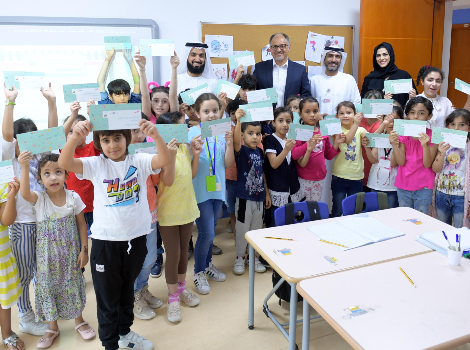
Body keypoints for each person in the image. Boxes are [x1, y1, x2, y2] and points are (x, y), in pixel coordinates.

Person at [58, 119, 171, 350]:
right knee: (108, 299)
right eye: (106, 140)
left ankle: (124, 333)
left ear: (128, 138)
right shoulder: (95, 164)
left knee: (126, 292)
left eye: (117, 138)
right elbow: (65, 162)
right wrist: (74, 138)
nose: (112, 145)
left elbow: (164, 159)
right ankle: (110, 344)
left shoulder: (138, 160)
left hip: (136, 239)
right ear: (98, 142)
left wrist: (156, 135)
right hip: (105, 243)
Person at [18, 153, 95, 348]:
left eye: (58, 172)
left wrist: (84, 251)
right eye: (47, 173)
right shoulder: (39, 199)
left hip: (70, 258)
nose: (53, 177)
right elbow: (25, 193)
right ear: (41, 179)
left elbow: (82, 226)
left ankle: (79, 321)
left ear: (66, 175)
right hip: (45, 262)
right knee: (48, 289)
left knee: (73, 286)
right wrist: (25, 167)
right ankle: (52, 327)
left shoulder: (73, 198)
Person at [2, 84, 57, 336]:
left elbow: (55, 135)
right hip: (22, 226)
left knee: (43, 272)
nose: (27, 146)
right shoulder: (9, 160)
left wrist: (51, 102)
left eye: (32, 140)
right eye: (20, 142)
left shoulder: (40, 157)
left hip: (45, 223)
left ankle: (43, 313)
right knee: (24, 275)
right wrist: (10, 102)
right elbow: (5, 135)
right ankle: (25, 317)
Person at [156, 111, 203, 322]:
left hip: (187, 208)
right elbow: (168, 180)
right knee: (172, 254)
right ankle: (173, 298)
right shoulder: (161, 152)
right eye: (179, 126)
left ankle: (182, 289)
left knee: (184, 252)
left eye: (184, 125)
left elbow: (192, 175)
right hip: (167, 211)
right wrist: (171, 154)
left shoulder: (184, 147)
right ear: (167, 131)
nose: (184, 129)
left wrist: (196, 154)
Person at [188, 93, 234, 294]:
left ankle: (207, 265)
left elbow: (227, 163)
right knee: (206, 233)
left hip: (217, 190)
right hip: (199, 192)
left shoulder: (221, 132)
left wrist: (230, 144)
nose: (212, 115)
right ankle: (198, 271)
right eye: (206, 111)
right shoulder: (191, 133)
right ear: (197, 113)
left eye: (215, 110)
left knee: (211, 231)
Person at [232, 110, 270, 275]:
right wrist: (239, 120)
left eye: (258, 134)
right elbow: (235, 142)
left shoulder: (260, 152)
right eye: (250, 133)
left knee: (255, 230)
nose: (255, 137)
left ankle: (252, 258)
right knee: (242, 230)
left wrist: (267, 194)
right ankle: (240, 257)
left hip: (259, 198)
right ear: (242, 135)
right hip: (244, 199)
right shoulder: (242, 151)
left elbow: (262, 173)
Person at [390, 96, 438, 214]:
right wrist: (394, 145)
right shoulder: (403, 134)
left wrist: (425, 146)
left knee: (421, 219)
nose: (416, 117)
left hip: (424, 186)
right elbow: (401, 162)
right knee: (405, 218)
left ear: (429, 116)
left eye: (421, 113)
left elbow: (427, 164)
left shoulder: (433, 136)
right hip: (403, 184)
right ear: (408, 115)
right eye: (412, 113)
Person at [292, 97, 343, 204]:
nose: (312, 115)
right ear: (300, 114)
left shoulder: (323, 132)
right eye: (307, 112)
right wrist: (308, 144)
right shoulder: (298, 131)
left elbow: (328, 155)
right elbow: (294, 155)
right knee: (301, 211)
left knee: (314, 209)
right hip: (302, 178)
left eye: (315, 111)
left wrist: (336, 143)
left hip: (319, 178)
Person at [63, 105, 101, 237]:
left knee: (98, 240)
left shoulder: (93, 147)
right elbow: (59, 136)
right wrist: (73, 114)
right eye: (71, 131)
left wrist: (93, 115)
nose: (76, 134)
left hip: (95, 206)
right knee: (78, 243)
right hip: (74, 208)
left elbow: (100, 135)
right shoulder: (65, 152)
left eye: (80, 130)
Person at [263, 107, 304, 227]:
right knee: (276, 223)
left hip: (293, 189)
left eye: (288, 121)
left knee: (292, 223)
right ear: (273, 122)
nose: (285, 124)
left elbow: (300, 162)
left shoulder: (292, 138)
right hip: (277, 189)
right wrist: (286, 149)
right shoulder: (270, 139)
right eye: (280, 121)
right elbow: (274, 164)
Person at [431, 109, 470, 228]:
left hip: (461, 197)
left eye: (461, 125)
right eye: (452, 124)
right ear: (447, 126)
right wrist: (441, 155)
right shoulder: (443, 144)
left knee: (460, 229)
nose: (456, 128)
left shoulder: (468, 146)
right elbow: (435, 169)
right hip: (441, 194)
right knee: (442, 227)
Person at [253, 33, 311, 106]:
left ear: (289, 47)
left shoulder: (300, 70)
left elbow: (306, 95)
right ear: (270, 49)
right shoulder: (259, 68)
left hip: (291, 116)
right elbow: (252, 93)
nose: (278, 50)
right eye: (274, 46)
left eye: (282, 46)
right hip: (267, 116)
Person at [364, 106, 404, 208]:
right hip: (375, 183)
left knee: (389, 216)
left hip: (392, 187)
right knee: (374, 213)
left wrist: (395, 143)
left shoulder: (402, 140)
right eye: (388, 120)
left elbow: (394, 163)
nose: (391, 123)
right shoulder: (380, 135)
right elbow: (373, 159)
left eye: (395, 121)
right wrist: (367, 148)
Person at [0, 180, 24, 350]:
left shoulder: (2, 185)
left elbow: (7, 220)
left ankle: (7, 333)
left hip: (1, 259)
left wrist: (10, 196)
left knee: (4, 301)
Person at [331, 102, 366, 217]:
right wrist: (356, 123)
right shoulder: (336, 130)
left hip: (356, 177)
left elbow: (371, 137)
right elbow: (347, 140)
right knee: (337, 210)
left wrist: (383, 123)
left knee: (355, 211)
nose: (345, 115)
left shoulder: (360, 130)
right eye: (342, 113)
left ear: (355, 114)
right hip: (339, 176)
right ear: (337, 116)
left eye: (349, 112)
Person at [361, 42, 417, 108]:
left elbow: (413, 105)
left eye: (385, 54)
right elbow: (364, 106)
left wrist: (413, 98)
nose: (381, 58)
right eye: (378, 55)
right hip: (376, 117)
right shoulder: (369, 79)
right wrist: (383, 101)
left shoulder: (403, 76)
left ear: (391, 55)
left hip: (398, 117)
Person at [310, 46, 361, 116]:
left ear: (341, 60)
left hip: (344, 125)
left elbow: (356, 103)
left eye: (337, 57)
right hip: (319, 124)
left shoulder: (349, 80)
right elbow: (308, 105)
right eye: (330, 56)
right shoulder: (314, 80)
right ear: (324, 59)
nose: (334, 60)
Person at [360, 90, 384, 190]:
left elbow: (373, 139)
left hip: (376, 163)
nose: (372, 106)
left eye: (376, 103)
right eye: (369, 103)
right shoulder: (359, 119)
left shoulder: (384, 121)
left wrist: (384, 123)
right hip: (359, 163)